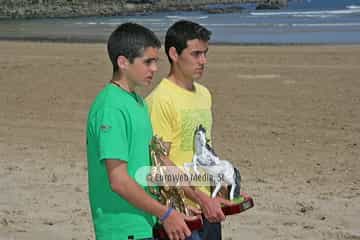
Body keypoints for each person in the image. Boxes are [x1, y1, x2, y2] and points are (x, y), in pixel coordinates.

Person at [86, 22, 191, 240]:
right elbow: (118, 180)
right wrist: (166, 214)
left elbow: (158, 160)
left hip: (146, 223)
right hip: (122, 229)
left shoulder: (137, 102)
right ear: (123, 62)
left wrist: (197, 196)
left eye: (155, 61)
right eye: (148, 62)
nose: (154, 68)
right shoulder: (111, 107)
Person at [146, 20, 232, 240]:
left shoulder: (204, 94)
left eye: (205, 53)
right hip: (180, 213)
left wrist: (220, 190)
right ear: (174, 54)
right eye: (195, 54)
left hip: (208, 207)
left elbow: (205, 149)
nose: (203, 61)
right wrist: (198, 197)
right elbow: (160, 163)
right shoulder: (160, 100)